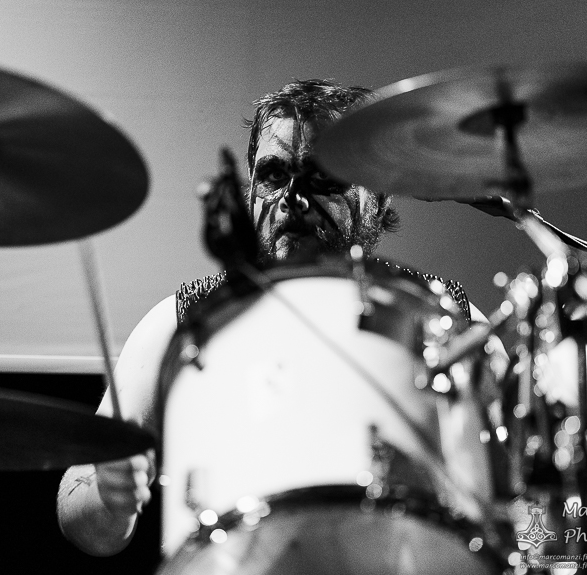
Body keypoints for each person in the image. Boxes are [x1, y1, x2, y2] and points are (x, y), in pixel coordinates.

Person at [55, 79, 474, 556]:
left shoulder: (445, 318)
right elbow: (85, 525)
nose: (293, 199)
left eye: (324, 178)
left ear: (378, 199)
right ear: (249, 191)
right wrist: (109, 491)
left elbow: (527, 511)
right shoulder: (183, 321)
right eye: (273, 175)